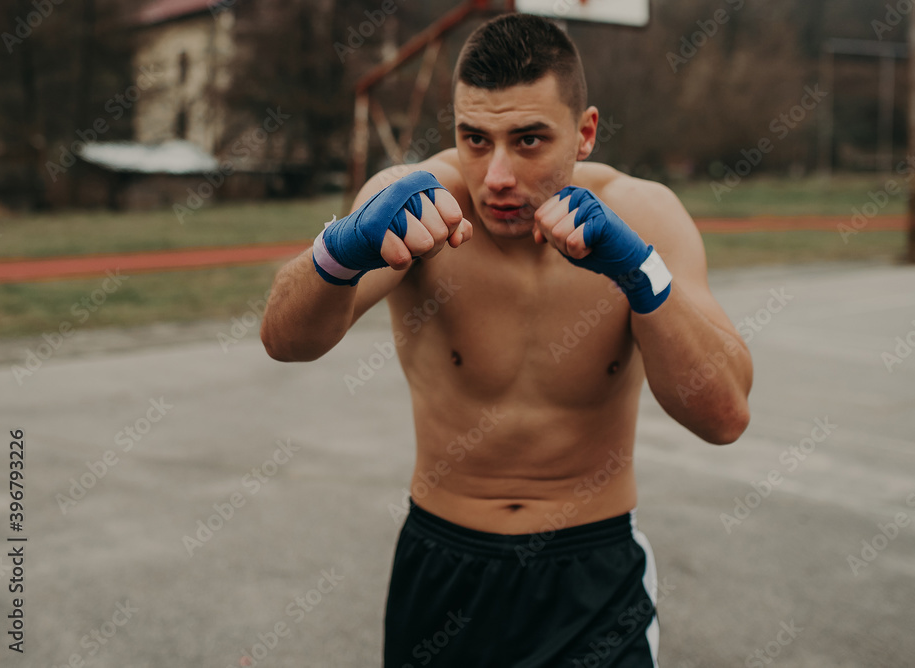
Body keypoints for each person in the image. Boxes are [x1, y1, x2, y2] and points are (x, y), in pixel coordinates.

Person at [260, 13, 752, 667]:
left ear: (585, 133)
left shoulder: (645, 215)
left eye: (528, 141)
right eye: (475, 138)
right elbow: (283, 340)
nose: (495, 175)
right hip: (444, 566)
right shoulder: (417, 206)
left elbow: (724, 417)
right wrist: (339, 250)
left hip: (592, 577)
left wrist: (643, 275)